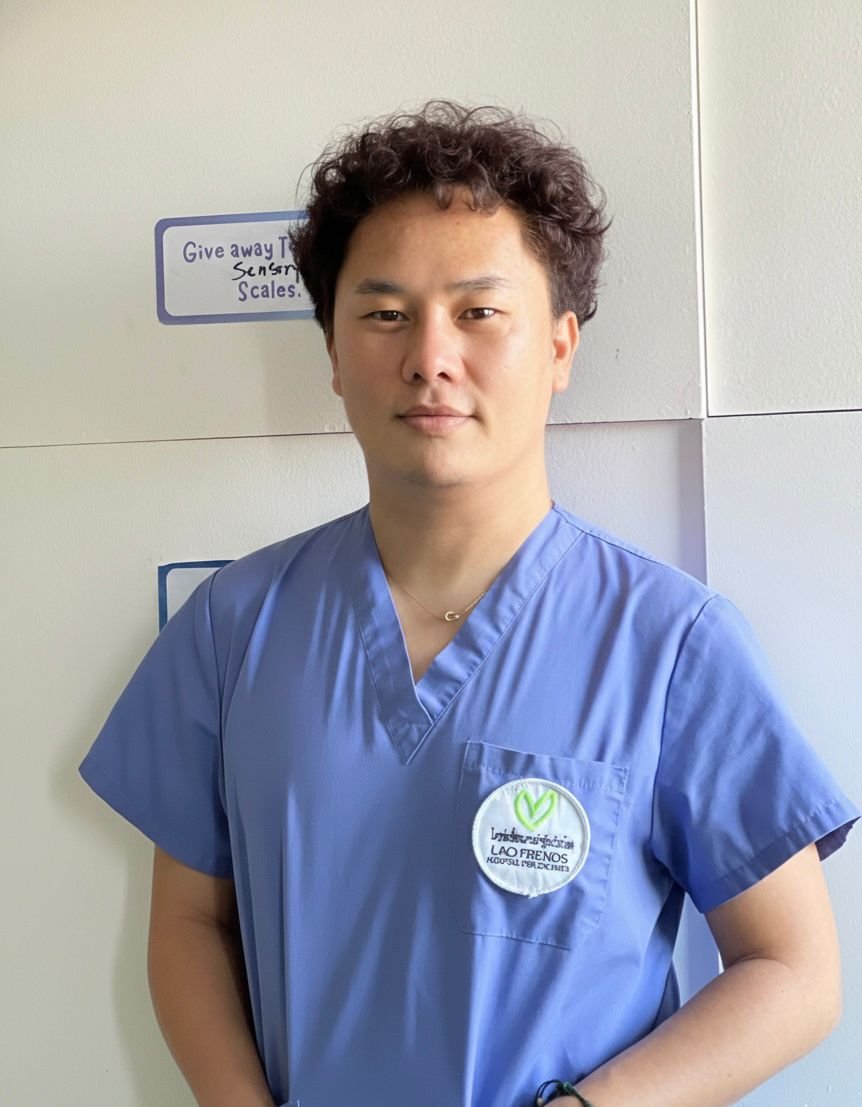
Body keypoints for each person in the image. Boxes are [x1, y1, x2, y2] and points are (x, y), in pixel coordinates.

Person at [80, 101, 858, 1107]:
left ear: (561, 346)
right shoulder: (236, 625)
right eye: (384, 312)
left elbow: (792, 973)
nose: (429, 357)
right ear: (331, 351)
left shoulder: (669, 646)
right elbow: (191, 923)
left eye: (479, 312)